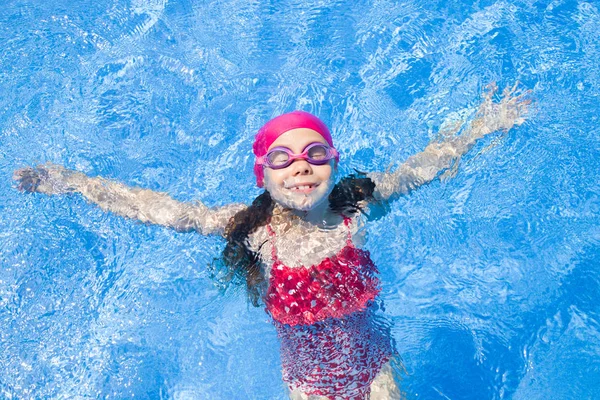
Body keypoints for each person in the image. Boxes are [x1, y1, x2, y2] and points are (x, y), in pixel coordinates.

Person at [13, 84, 529, 400]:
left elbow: (423, 166)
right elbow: (163, 210)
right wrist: (77, 183)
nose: (301, 165)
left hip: (373, 361)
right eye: (282, 159)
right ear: (263, 175)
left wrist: (485, 125)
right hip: (307, 379)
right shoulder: (254, 228)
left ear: (333, 162)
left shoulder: (357, 206)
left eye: (314, 153)